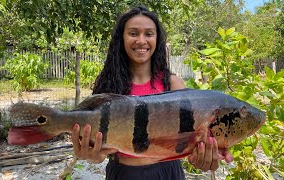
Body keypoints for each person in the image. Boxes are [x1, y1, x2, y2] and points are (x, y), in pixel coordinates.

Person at [71, 5, 233, 180]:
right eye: (133, 33)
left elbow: (190, 146)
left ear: (157, 39)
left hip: (168, 173)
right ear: (122, 38)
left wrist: (206, 158)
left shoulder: (174, 84)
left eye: (149, 34)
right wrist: (92, 154)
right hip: (123, 174)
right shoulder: (109, 86)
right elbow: (100, 154)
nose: (141, 40)